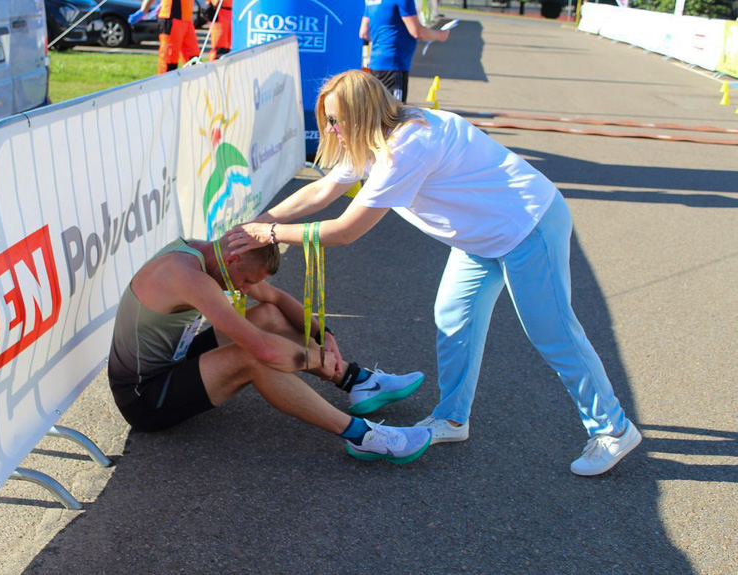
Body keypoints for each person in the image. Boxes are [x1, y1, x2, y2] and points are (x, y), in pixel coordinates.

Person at [226, 70, 642, 477]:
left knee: (553, 334)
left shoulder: (410, 145)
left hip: (527, 226)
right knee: (453, 320)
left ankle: (613, 429)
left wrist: (273, 232)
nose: (331, 130)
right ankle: (452, 420)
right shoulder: (373, 138)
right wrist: (254, 225)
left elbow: (346, 230)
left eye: (336, 120)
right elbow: (321, 190)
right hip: (480, 238)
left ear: (363, 114)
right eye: (328, 120)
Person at [107, 235, 431, 464]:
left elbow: (274, 300)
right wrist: (316, 359)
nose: (246, 289)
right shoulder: (187, 277)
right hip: (143, 397)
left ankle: (356, 381)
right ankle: (362, 437)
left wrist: (325, 336)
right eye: (246, 281)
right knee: (251, 358)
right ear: (233, 259)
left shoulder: (210, 253)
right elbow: (262, 350)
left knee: (268, 315)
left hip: (174, 360)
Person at [360, 0, 449, 103]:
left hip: (377, 62)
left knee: (380, 109)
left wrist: (384, 39)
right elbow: (417, 32)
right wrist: (440, 35)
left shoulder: (372, 1)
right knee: (396, 112)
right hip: (394, 64)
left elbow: (364, 33)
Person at [130, 0, 199, 74]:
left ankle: (191, 82)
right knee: (169, 59)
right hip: (172, 18)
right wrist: (143, 10)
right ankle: (164, 83)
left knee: (193, 57)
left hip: (187, 19)